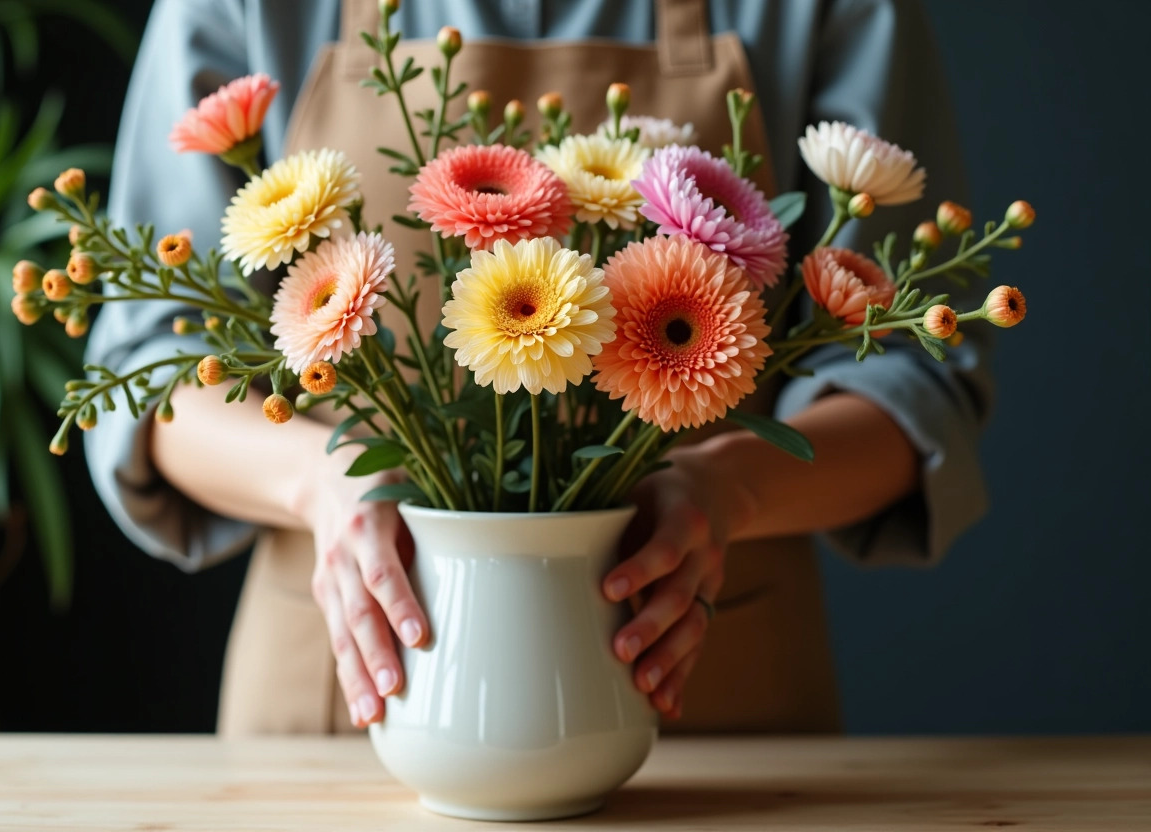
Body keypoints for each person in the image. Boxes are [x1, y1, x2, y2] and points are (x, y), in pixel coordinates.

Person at [86, 0, 990, 735]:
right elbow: (151, 364)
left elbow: (913, 372)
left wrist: (728, 490)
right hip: (347, 698)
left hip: (707, 698)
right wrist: (322, 484)